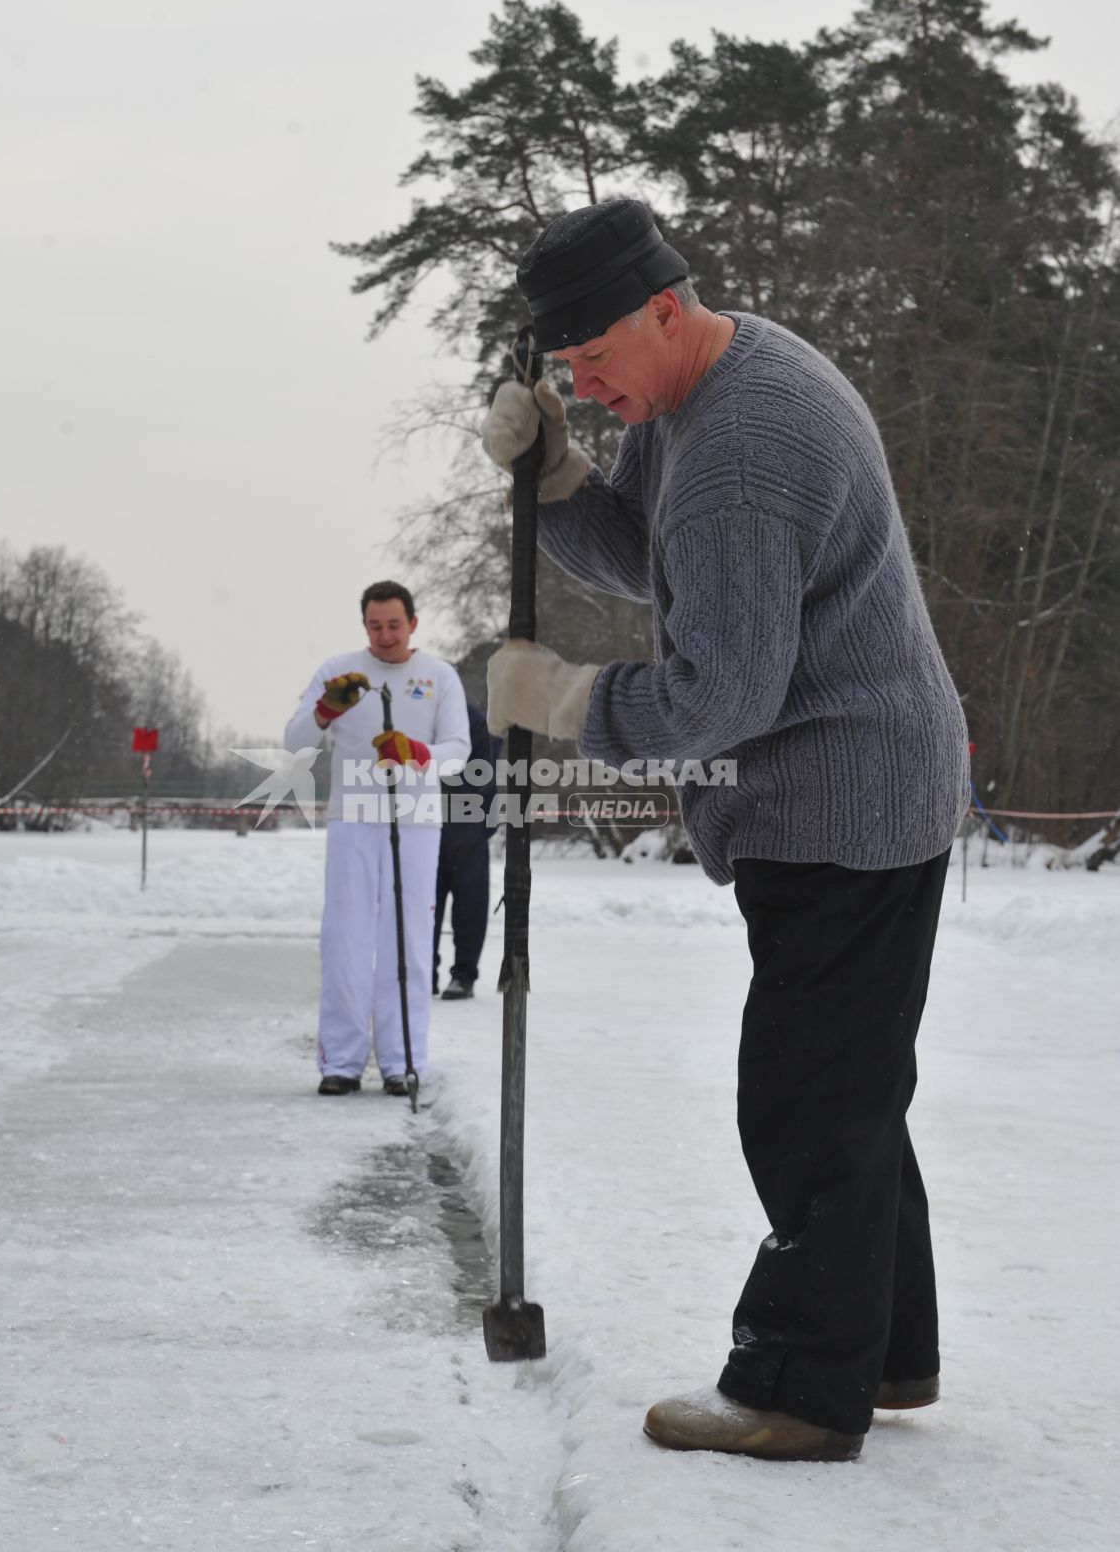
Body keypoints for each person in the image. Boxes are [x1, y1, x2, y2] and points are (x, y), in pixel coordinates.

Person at [482, 198, 968, 1462]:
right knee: (849, 1090)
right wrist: (555, 479)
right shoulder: (707, 387)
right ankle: (888, 1352)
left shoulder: (741, 448)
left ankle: (803, 1389)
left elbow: (719, 695)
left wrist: (569, 700)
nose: (581, 386)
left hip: (838, 802)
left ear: (658, 308)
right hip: (857, 786)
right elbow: (658, 558)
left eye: (589, 361)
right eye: (563, 373)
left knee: (804, 1104)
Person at [284, 581, 469, 1097]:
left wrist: (418, 753)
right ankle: (340, 1061)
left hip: (414, 822)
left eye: (394, 624)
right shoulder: (340, 672)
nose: (385, 635)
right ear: (363, 625)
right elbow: (295, 742)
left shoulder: (439, 676)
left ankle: (402, 1059)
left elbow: (460, 749)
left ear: (413, 622)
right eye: (374, 625)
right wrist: (325, 711)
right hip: (353, 820)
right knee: (345, 939)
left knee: (407, 940)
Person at [433, 699, 501, 1000]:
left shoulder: (474, 721)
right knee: (424, 909)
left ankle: (464, 975)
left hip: (467, 829)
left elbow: (482, 775)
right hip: (426, 828)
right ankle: (424, 972)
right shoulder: (423, 716)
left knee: (469, 908)